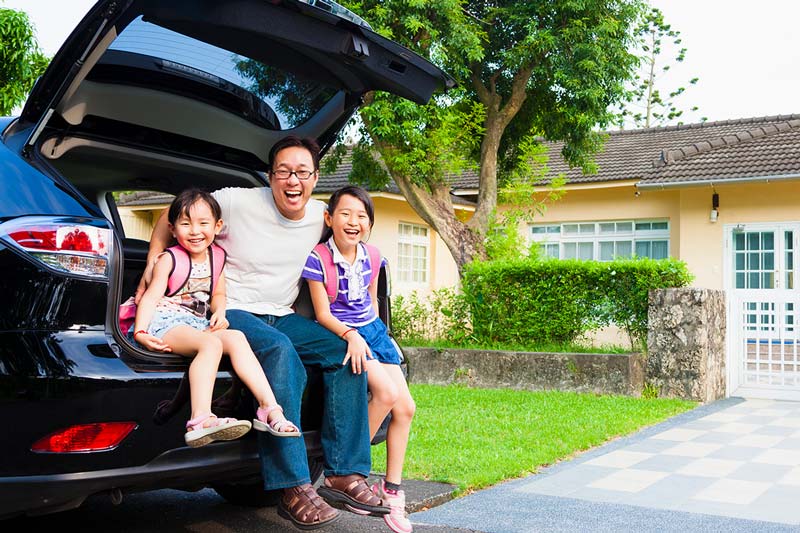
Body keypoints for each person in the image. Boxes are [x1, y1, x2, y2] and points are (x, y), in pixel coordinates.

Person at [137, 137, 388, 530]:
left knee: (344, 352)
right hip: (231, 310)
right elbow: (172, 218)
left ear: (315, 178)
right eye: (284, 171)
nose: (293, 180)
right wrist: (153, 267)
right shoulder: (237, 201)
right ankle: (292, 487)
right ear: (271, 177)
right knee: (280, 351)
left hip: (282, 313)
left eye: (302, 172)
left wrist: (358, 323)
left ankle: (345, 473)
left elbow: (352, 242)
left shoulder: (322, 216)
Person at [133, 189, 301, 447]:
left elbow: (218, 292)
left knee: (235, 337)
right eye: (186, 223)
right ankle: (200, 419)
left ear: (217, 226)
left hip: (197, 322)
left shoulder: (217, 257)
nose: (195, 231)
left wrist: (220, 312)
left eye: (203, 223)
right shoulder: (169, 259)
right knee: (211, 344)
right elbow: (151, 296)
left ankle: (270, 409)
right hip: (166, 322)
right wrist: (141, 331)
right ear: (172, 228)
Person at [302, 186, 415, 533]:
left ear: (369, 223)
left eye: (362, 215)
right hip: (343, 333)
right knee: (385, 394)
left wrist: (382, 335)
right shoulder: (318, 258)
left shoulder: (374, 256)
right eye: (346, 214)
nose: (354, 221)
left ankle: (391, 489)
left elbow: (371, 300)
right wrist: (351, 337)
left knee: (406, 408)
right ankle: (346, 472)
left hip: (373, 332)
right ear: (329, 218)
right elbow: (322, 314)